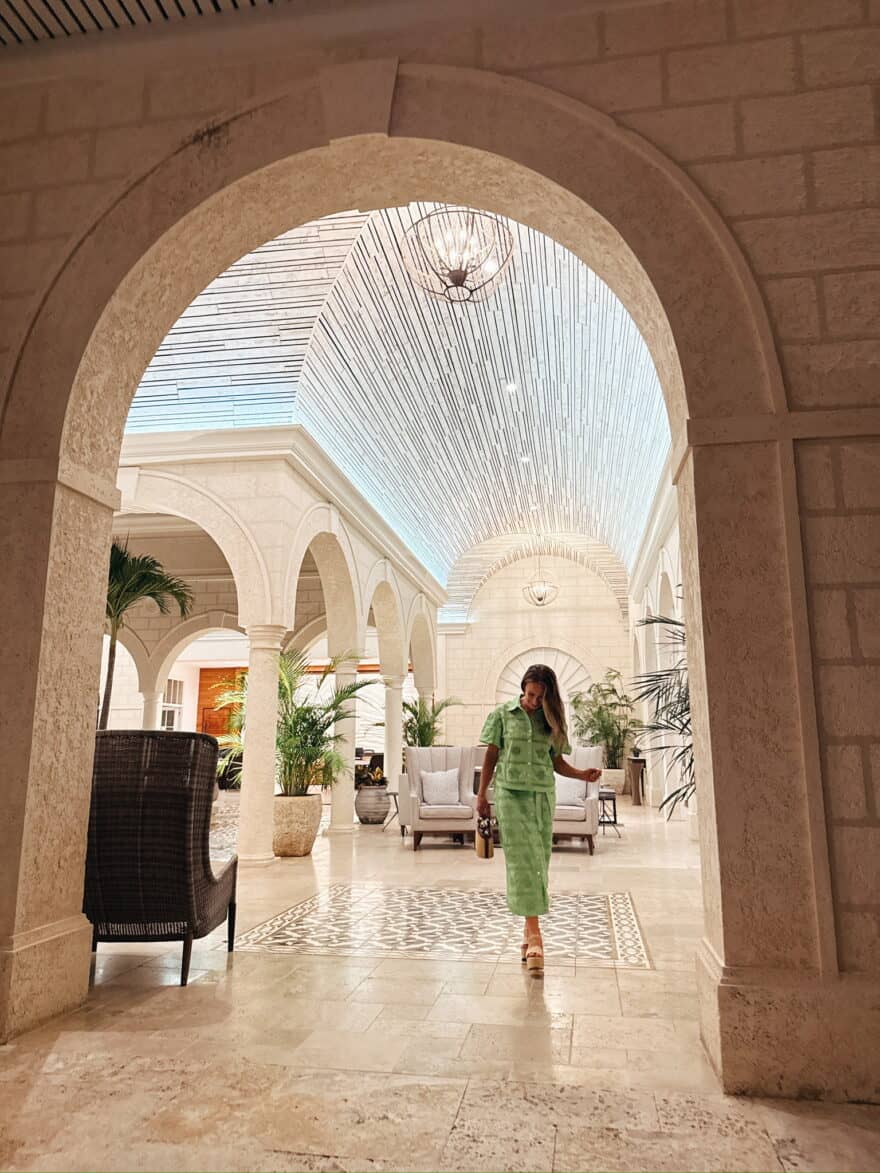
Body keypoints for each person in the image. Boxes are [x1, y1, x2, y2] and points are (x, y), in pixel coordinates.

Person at [477, 664, 602, 977]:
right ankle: (535, 935)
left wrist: (582, 775)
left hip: (542, 795)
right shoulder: (502, 715)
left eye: (540, 697)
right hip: (509, 794)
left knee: (538, 860)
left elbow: (556, 762)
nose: (533, 701)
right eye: (530, 694)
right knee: (521, 860)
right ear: (523, 688)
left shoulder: (551, 720)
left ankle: (526, 934)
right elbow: (490, 756)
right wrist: (482, 796)